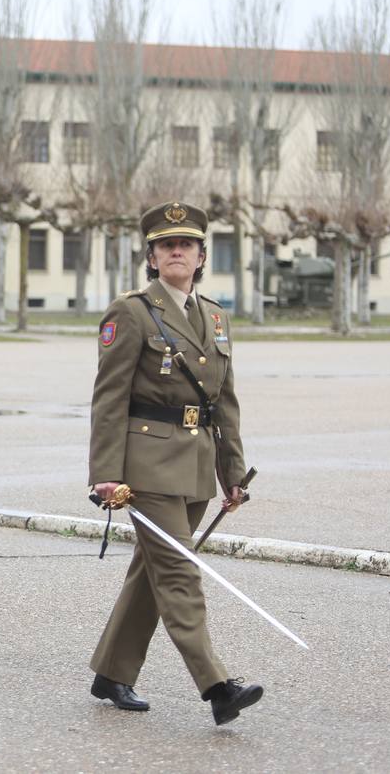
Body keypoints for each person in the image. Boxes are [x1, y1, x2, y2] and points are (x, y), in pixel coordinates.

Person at [87, 200, 264, 727]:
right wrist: (105, 474)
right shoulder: (133, 311)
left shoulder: (214, 315)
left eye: (186, 244)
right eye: (167, 245)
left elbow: (223, 403)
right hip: (147, 468)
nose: (177, 251)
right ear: (152, 257)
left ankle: (111, 672)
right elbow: (109, 399)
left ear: (202, 255)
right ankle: (216, 686)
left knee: (153, 573)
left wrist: (232, 472)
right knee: (181, 574)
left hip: (195, 467)